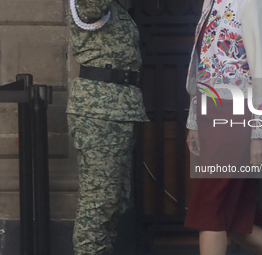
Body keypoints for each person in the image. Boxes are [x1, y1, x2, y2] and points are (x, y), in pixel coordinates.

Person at [184, 0, 262, 255]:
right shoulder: (209, 2)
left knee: (210, 207)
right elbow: (202, 66)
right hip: (209, 114)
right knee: (236, 222)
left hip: (236, 114)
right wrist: (193, 121)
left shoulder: (253, 3)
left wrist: (260, 133)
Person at [66, 0, 149, 254]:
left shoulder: (119, 9)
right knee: (98, 204)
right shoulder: (89, 4)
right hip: (100, 113)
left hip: (117, 111)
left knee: (113, 203)